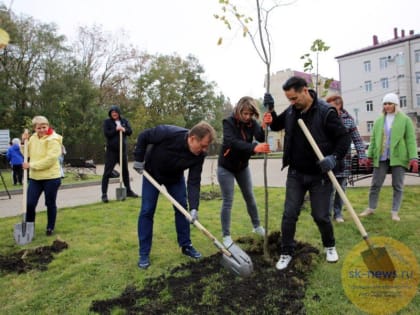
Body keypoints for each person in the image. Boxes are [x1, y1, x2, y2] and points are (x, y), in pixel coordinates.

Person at [264, 76, 351, 270]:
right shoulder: (293, 111)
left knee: (320, 215)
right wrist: (270, 110)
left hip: (319, 175)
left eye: (294, 98)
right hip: (296, 174)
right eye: (289, 100)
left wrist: (334, 157)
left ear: (305, 90)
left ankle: (330, 246)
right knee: (289, 214)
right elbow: (277, 125)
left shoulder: (326, 112)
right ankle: (286, 252)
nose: (292, 103)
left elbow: (344, 139)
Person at [132, 121, 216, 269]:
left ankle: (186, 245)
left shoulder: (199, 155)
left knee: (182, 209)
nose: (204, 149)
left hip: (175, 178)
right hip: (152, 173)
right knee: (147, 210)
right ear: (192, 138)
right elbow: (144, 136)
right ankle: (144, 253)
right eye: (203, 145)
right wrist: (139, 159)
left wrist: (194, 208)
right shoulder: (168, 133)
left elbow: (194, 181)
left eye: (206, 146)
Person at [217, 96, 269, 247]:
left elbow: (260, 136)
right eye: (244, 114)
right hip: (226, 167)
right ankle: (226, 236)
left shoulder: (251, 123)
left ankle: (257, 226)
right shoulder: (228, 122)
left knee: (250, 197)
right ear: (239, 110)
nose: (247, 117)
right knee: (228, 201)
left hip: (242, 167)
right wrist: (254, 147)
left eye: (250, 114)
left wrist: (264, 125)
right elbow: (231, 142)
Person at [359, 93, 418, 221]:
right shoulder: (379, 120)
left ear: (395, 105)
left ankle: (395, 212)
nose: (387, 106)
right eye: (385, 104)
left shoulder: (405, 120)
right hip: (381, 157)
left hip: (399, 157)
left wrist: (414, 158)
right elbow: (374, 140)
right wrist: (369, 156)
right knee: (375, 184)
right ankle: (371, 208)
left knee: (398, 185)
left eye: (390, 103)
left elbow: (411, 140)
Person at [326, 95, 368, 223]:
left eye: (330, 105)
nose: (327, 108)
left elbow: (357, 139)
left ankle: (338, 214)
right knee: (328, 189)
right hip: (328, 160)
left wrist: (362, 155)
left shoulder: (349, 120)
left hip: (345, 161)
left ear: (339, 105)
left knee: (341, 188)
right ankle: (326, 215)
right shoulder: (325, 119)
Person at [22, 116, 62, 236]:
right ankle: (29, 228)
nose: (42, 130)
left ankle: (50, 227)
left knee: (50, 203)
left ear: (48, 126)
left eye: (44, 127)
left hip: (51, 177)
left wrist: (31, 165)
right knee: (29, 203)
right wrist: (24, 142)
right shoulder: (33, 138)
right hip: (35, 178)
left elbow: (50, 160)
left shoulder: (54, 140)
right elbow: (26, 154)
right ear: (35, 128)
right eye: (39, 128)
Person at [101, 105, 138, 202]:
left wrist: (123, 129)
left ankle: (128, 191)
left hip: (122, 151)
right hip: (111, 152)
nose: (114, 114)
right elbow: (107, 134)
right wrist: (116, 129)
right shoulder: (107, 122)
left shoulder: (124, 121)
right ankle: (104, 194)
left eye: (116, 112)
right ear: (110, 114)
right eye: (112, 112)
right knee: (107, 173)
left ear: (118, 113)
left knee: (125, 172)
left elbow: (130, 132)